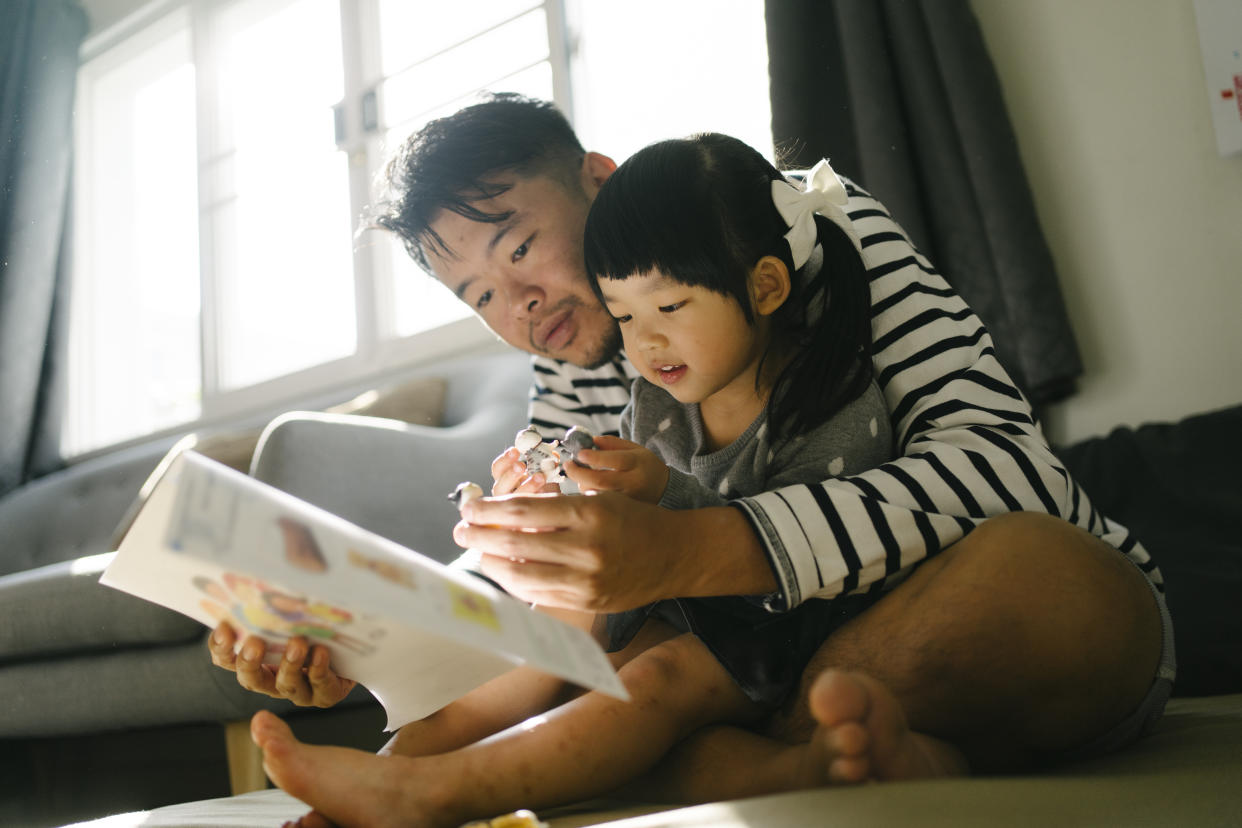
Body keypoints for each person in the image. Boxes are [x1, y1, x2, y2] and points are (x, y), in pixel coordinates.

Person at [210, 94, 1171, 817]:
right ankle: (840, 768)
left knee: (1040, 572)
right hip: (745, 674)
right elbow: (566, 602)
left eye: (521, 249)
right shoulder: (580, 363)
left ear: (598, 176)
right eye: (479, 298)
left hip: (959, 629)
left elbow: (1011, 473)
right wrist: (361, 637)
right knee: (614, 698)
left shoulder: (802, 235)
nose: (522, 308)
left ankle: (720, 759)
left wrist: (689, 549)